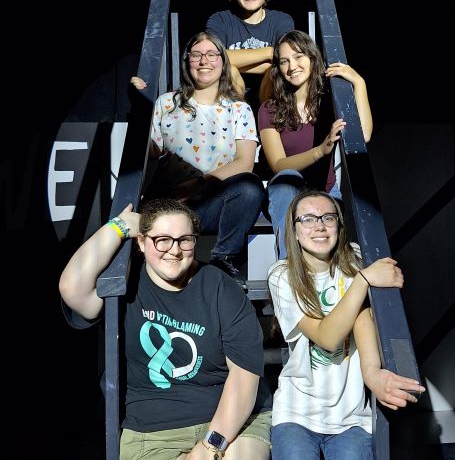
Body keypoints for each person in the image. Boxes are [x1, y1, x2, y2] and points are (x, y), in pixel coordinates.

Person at [59, 198, 272, 460]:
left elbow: (243, 377)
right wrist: (120, 225)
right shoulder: (127, 287)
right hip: (152, 432)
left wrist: (208, 448)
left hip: (231, 421)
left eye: (185, 239)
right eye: (162, 240)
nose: (174, 250)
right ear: (141, 242)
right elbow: (73, 288)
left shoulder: (220, 287)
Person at [267, 189, 425, 460]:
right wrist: (363, 281)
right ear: (293, 231)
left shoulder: (355, 260)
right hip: (296, 413)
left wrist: (372, 372)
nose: (319, 226)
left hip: (352, 417)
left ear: (340, 226)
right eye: (307, 219)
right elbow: (327, 337)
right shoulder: (282, 275)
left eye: (328, 217)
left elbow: (363, 317)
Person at [131, 30, 266, 286]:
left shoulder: (239, 109)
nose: (204, 61)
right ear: (187, 62)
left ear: (223, 62)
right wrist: (138, 108)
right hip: (169, 204)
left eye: (212, 54)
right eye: (196, 55)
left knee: (249, 187)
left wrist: (195, 185)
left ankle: (223, 259)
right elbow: (151, 152)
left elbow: (245, 162)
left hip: (210, 204)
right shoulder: (166, 103)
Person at [258, 29, 373, 259]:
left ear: (312, 58)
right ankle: (286, 266)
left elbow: (365, 135)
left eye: (298, 56)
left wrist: (359, 84)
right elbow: (279, 165)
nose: (292, 67)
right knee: (284, 180)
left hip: (324, 190)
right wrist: (321, 150)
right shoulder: (269, 109)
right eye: (284, 61)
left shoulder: (329, 103)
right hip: (287, 194)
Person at [206, 0, 294, 104]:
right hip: (229, 98)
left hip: (271, 97)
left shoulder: (281, 20)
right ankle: (239, 120)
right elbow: (211, 59)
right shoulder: (220, 20)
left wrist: (231, 60)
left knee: (273, 72)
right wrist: (269, 52)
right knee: (230, 71)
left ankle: (266, 122)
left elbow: (285, 61)